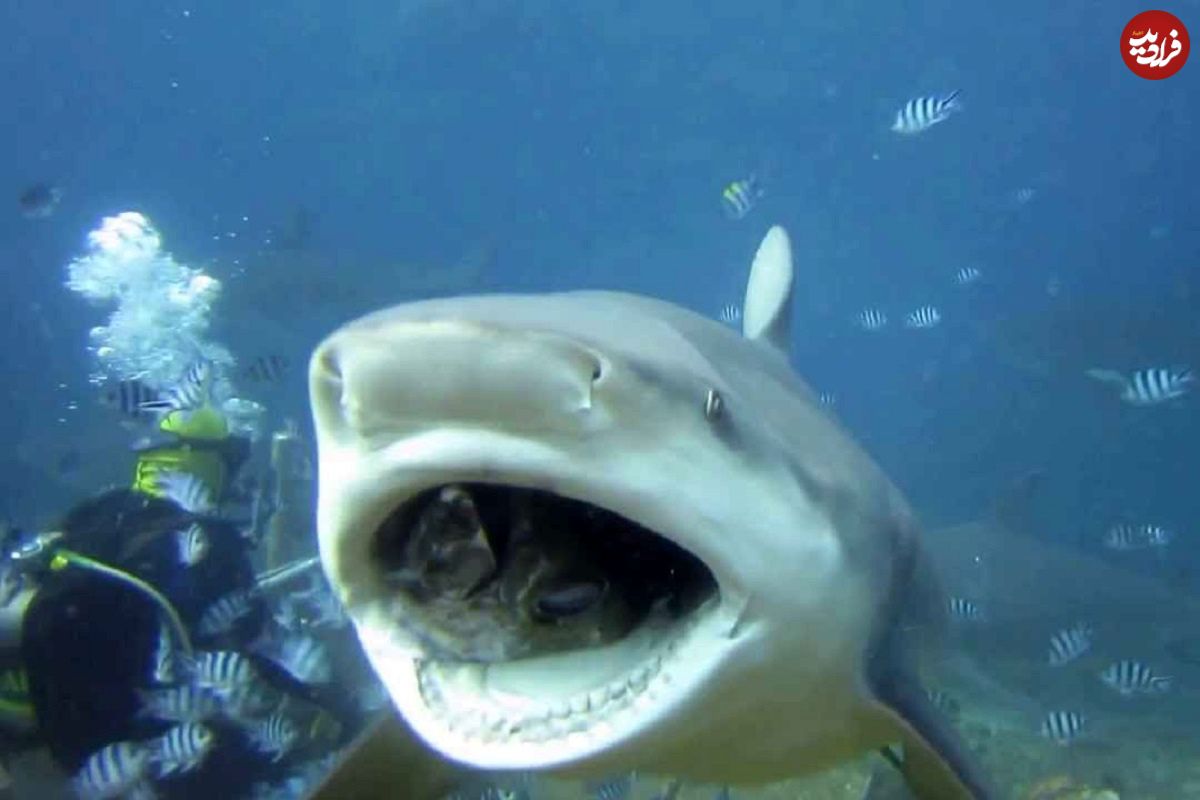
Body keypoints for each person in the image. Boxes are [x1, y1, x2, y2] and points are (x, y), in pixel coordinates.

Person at [0, 405, 355, 797]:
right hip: (104, 725)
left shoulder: (102, 514)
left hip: (45, 717)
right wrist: (336, 703)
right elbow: (258, 653)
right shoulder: (208, 540)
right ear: (210, 466)